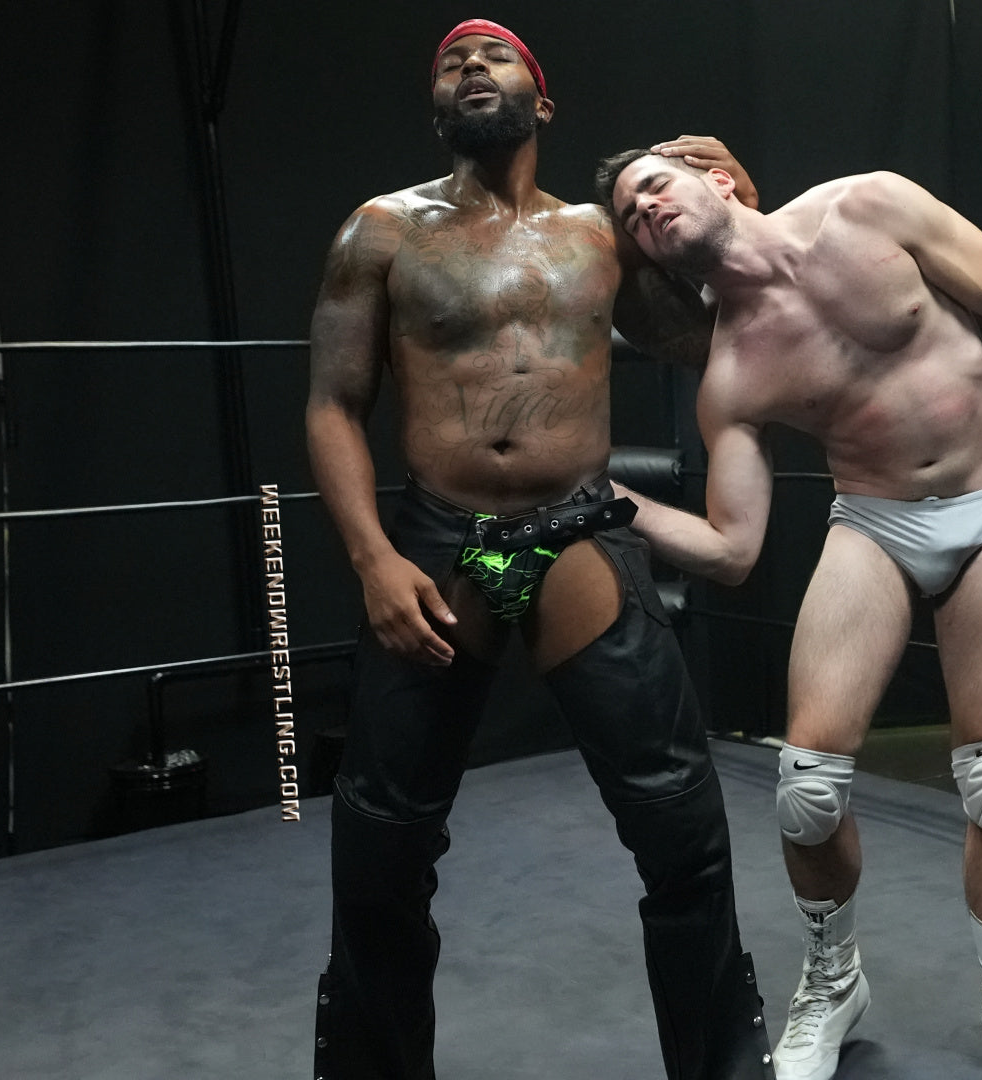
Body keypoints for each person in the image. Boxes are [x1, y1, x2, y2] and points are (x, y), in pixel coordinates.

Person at [305, 20, 773, 1080]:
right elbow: (333, 404)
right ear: (437, 105)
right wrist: (373, 559)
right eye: (450, 61)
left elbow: (708, 329)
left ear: (541, 100)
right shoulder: (381, 231)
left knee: (681, 828)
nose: (470, 66)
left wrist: (734, 207)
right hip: (439, 538)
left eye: (494, 55)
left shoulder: (600, 237)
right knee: (380, 843)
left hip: (575, 532)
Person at [595, 147, 982, 1080]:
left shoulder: (869, 205)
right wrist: (605, 497)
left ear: (717, 178)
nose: (646, 208)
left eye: (655, 183)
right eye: (630, 214)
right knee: (806, 788)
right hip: (873, 522)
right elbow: (732, 550)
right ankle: (834, 982)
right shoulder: (731, 373)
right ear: (649, 257)